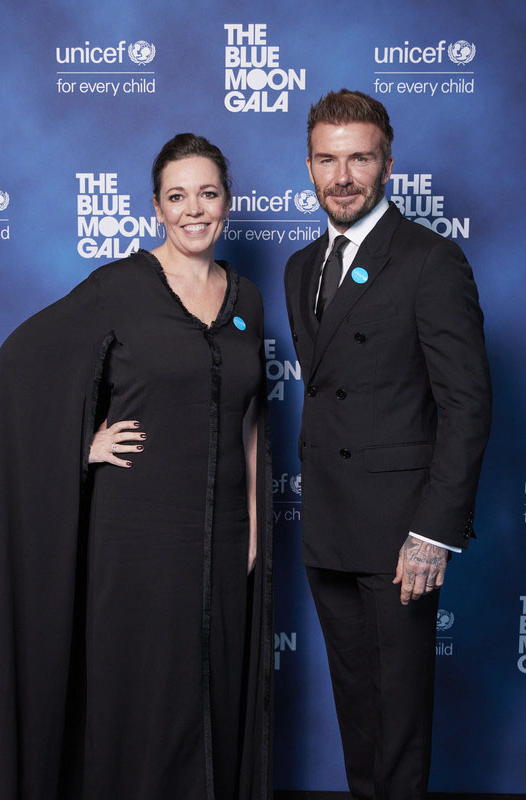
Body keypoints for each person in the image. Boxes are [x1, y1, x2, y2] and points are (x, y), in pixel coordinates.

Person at [0, 134, 273, 800]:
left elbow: (249, 416)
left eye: (208, 193)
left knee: (212, 689)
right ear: (157, 208)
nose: (195, 210)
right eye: (178, 196)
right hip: (132, 533)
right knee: (137, 697)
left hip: (221, 536)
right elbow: (23, 360)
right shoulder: (120, 287)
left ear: (228, 202)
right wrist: (77, 443)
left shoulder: (246, 298)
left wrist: (252, 515)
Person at [284, 90, 491, 800]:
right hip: (329, 526)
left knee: (398, 718)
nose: (342, 176)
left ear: (388, 164)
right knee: (358, 712)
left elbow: (466, 403)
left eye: (359, 158)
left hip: (402, 532)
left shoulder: (431, 261)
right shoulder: (300, 265)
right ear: (309, 165)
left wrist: (433, 532)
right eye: (327, 158)